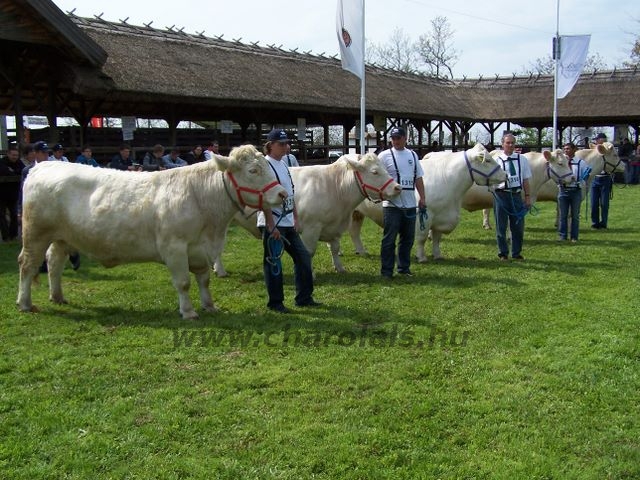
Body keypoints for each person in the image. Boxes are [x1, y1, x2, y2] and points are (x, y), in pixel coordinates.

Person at [257, 128, 319, 313]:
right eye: (281, 144)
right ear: (270, 146)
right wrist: (270, 224)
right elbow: (264, 197)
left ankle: (304, 297)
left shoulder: (284, 163)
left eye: (286, 143)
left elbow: (291, 194)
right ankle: (276, 303)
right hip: (274, 223)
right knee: (274, 263)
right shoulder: (265, 166)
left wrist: (296, 218)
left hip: (288, 222)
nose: (286, 146)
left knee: (303, 258)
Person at [378, 126, 426, 278]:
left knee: (407, 239)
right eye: (393, 138)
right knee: (389, 239)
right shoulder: (384, 156)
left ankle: (404, 268)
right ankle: (386, 271)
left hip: (410, 203)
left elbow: (418, 178)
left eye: (399, 138)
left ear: (405, 138)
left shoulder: (412, 155)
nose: (396, 141)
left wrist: (422, 198)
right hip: (392, 205)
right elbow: (377, 177)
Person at [493, 132, 532, 261]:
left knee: (518, 226)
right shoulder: (496, 161)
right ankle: (503, 253)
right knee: (501, 226)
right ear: (502, 144)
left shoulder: (522, 160)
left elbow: (526, 179)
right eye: (508, 143)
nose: (510, 145)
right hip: (501, 195)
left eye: (512, 143)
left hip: (516, 195)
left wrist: (527, 197)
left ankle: (516, 253)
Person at [557, 142, 588, 243]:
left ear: (574, 150)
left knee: (575, 215)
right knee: (563, 215)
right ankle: (562, 236)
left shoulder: (580, 162)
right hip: (563, 190)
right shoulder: (561, 162)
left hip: (575, 190)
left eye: (568, 149)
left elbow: (585, 176)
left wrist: (578, 179)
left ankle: (574, 236)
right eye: (565, 149)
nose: (566, 151)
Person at [0, 144, 25, 241]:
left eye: (16, 155)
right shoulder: (2, 162)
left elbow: (22, 171)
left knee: (14, 215)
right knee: (1, 216)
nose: (14, 157)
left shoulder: (19, 162)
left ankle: (13, 235)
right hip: (1, 194)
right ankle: (6, 236)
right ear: (8, 154)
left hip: (13, 194)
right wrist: (13, 171)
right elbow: (3, 171)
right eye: (13, 155)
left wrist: (12, 171)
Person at [590, 132, 612, 229]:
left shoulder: (609, 150)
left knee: (604, 203)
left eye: (598, 139)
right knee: (594, 203)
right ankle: (595, 222)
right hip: (595, 178)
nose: (596, 141)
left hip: (605, 178)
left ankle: (603, 222)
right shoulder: (594, 151)